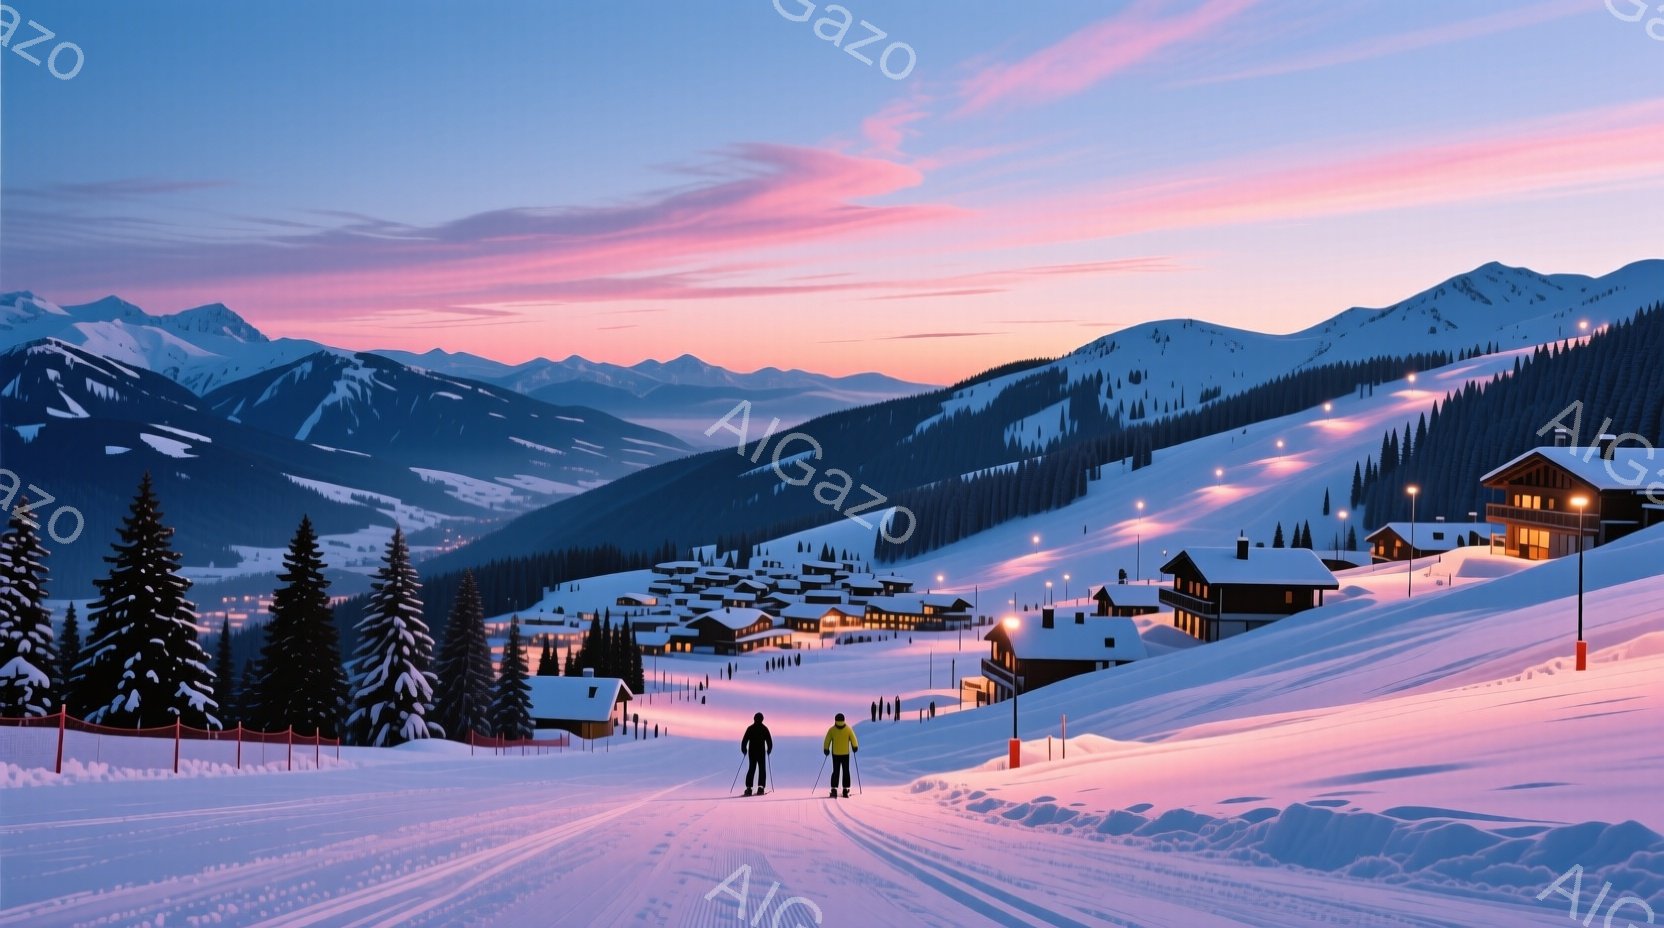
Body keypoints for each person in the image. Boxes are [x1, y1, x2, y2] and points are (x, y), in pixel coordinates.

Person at [822, 712, 859, 798]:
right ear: (843, 720)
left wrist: (826, 749)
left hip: (836, 754)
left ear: (835, 720)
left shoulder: (832, 730)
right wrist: (855, 746)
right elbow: (853, 738)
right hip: (845, 754)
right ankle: (845, 789)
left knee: (836, 771)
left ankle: (834, 789)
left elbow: (827, 740)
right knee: (846, 771)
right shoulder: (848, 729)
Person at [741, 712, 772, 796]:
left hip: (752, 752)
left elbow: (744, 740)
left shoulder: (750, 728)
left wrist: (744, 749)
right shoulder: (764, 728)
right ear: (762, 719)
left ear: (754, 718)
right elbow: (769, 740)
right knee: (762, 769)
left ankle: (749, 788)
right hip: (761, 752)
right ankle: (761, 788)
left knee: (752, 768)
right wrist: (769, 749)